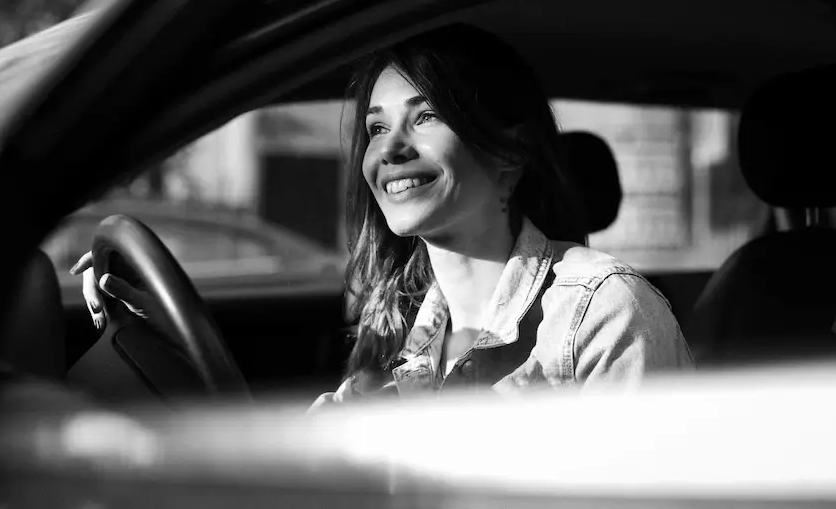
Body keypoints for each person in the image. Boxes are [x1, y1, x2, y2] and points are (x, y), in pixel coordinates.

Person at [72, 24, 693, 405]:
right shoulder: (406, 333)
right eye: (375, 128)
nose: (390, 149)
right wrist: (151, 339)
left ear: (508, 154)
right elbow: (305, 462)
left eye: (423, 117)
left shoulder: (602, 312)